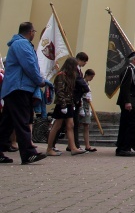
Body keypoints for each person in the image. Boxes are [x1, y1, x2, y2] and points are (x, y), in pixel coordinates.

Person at [0, 22, 47, 165]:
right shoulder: (22, 44)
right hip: (19, 88)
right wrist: (39, 80)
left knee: (6, 123)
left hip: (14, 88)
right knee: (22, 121)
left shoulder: (18, 44)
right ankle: (28, 153)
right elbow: (29, 65)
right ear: (31, 32)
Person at [46, 57, 86, 156]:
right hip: (61, 104)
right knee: (57, 126)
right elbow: (60, 92)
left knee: (70, 125)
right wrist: (63, 105)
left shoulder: (69, 76)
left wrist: (72, 105)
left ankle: (73, 147)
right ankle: (49, 148)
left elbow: (71, 92)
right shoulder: (61, 76)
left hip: (69, 103)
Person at [115, 50, 135, 156]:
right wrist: (127, 101)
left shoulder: (134, 70)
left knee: (130, 124)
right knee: (129, 124)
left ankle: (124, 146)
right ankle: (124, 147)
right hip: (128, 102)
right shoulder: (128, 69)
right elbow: (125, 87)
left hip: (133, 103)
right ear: (134, 59)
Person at [69, 52, 90, 151]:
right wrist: (85, 88)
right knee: (65, 124)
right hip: (72, 99)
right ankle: (74, 145)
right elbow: (79, 82)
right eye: (84, 61)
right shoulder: (73, 70)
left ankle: (73, 145)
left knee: (75, 123)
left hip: (77, 99)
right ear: (79, 60)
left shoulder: (79, 70)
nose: (85, 63)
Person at [79, 68, 97, 152]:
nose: (91, 79)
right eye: (91, 77)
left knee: (86, 125)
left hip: (87, 105)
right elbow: (81, 96)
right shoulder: (82, 83)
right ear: (86, 75)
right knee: (77, 125)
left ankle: (87, 145)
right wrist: (81, 108)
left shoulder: (87, 84)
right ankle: (74, 144)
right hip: (82, 104)